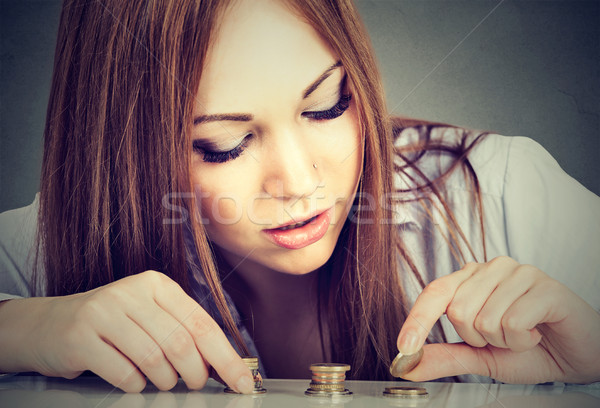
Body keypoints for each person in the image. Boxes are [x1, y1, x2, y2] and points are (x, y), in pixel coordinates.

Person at [0, 0, 598, 394]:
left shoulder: (499, 192)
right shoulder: (69, 235)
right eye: (223, 144)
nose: (298, 181)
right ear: (125, 151)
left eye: (327, 105)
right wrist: (23, 329)